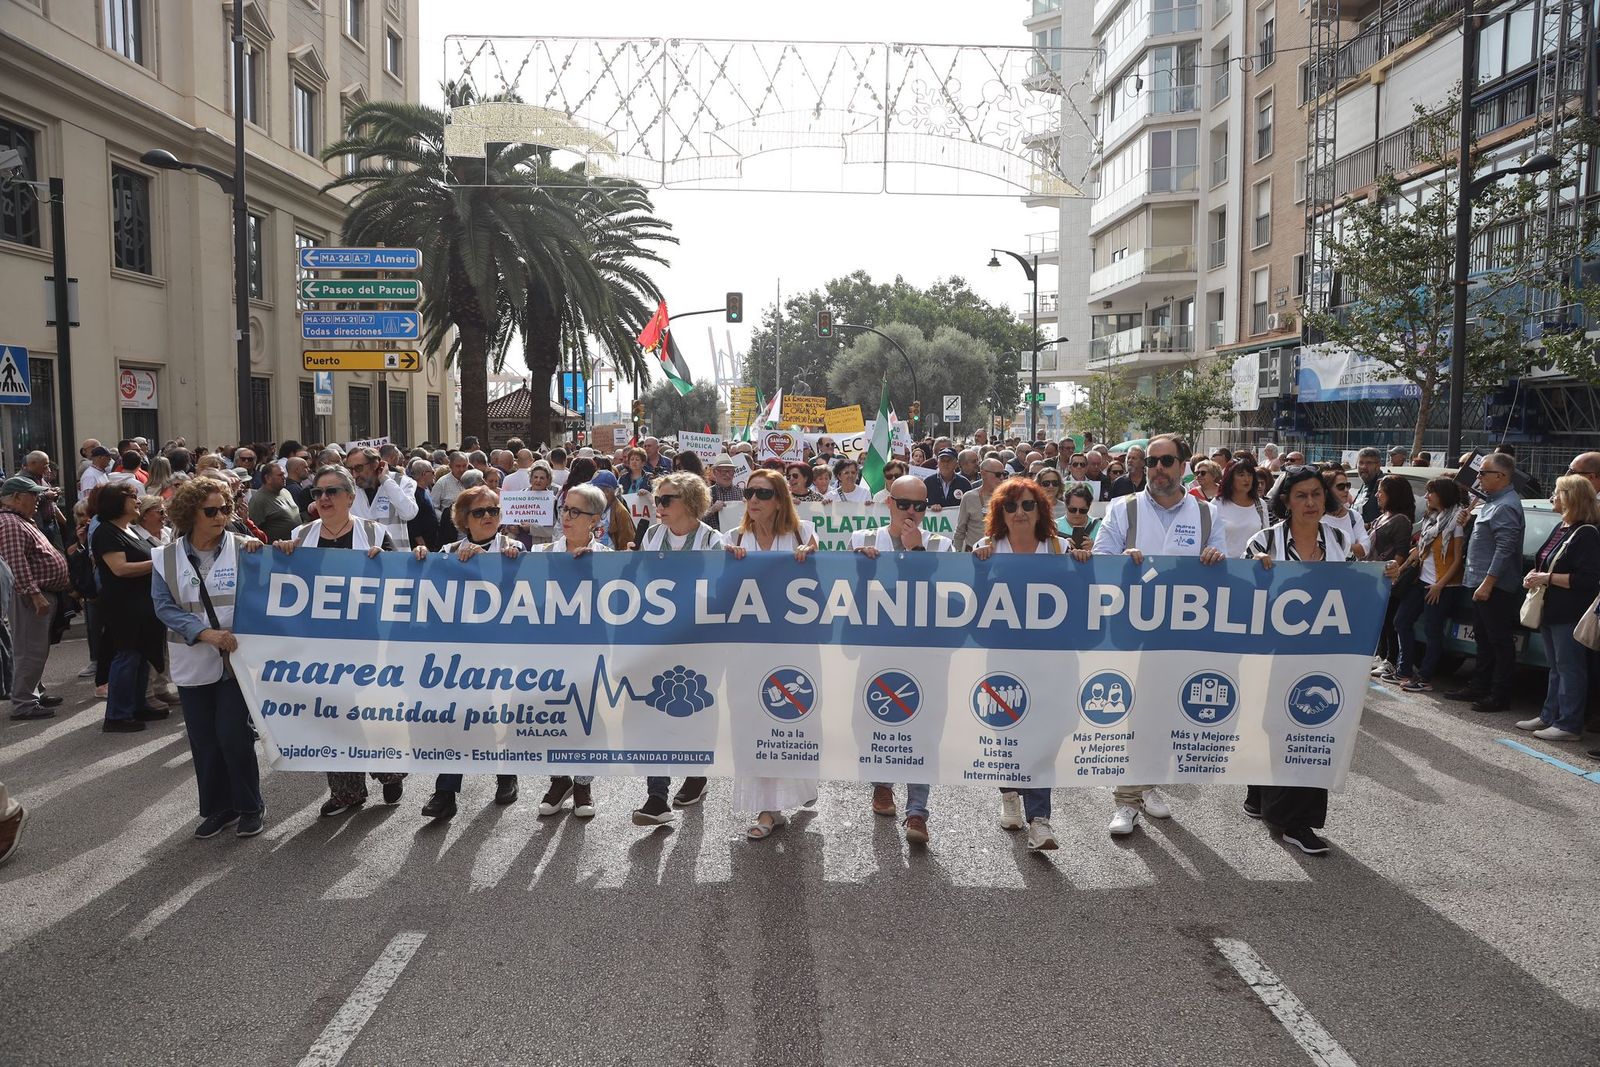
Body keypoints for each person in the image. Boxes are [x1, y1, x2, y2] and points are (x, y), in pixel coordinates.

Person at [1095, 433, 1229, 836]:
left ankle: (1148, 783)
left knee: (1166, 710)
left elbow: (1224, 569)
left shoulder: (1207, 514)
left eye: (1166, 461)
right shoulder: (1123, 508)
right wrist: (1120, 561)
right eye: (1151, 461)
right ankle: (1126, 800)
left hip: (1183, 634)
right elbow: (1099, 561)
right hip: (1132, 630)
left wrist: (1216, 559)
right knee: (1135, 711)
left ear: (1183, 466)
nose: (1157, 469)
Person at [275, 466, 406, 816]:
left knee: (369, 711)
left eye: (331, 491)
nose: (324, 498)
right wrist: (279, 554)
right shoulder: (300, 535)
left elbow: (404, 579)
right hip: (319, 643)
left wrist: (386, 563)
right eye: (318, 493)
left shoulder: (374, 532)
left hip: (367, 640)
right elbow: (284, 583)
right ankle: (347, 792)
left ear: (350, 496)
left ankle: (389, 771)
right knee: (332, 713)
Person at [1242, 465, 1353, 855]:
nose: (1311, 502)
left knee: (1311, 728)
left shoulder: (1340, 539)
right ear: (1286, 501)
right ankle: (1268, 801)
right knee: (1275, 726)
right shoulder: (1263, 541)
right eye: (1301, 495)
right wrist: (1254, 572)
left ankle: (1292, 819)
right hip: (1274, 654)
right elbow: (1241, 595)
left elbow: (1353, 590)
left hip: (1323, 653)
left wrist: (1380, 575)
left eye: (1317, 494)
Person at [151, 478, 267, 838]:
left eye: (225, 509)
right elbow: (163, 606)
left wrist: (272, 551)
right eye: (211, 511)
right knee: (204, 740)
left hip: (236, 662)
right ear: (190, 514)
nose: (221, 516)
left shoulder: (245, 548)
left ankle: (250, 806)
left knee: (233, 735)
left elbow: (273, 587)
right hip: (193, 661)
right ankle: (219, 808)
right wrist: (204, 633)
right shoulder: (165, 557)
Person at [410, 485, 522, 819]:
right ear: (464, 518)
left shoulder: (513, 548)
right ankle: (446, 792)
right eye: (480, 511)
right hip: (461, 652)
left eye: (494, 510)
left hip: (502, 648)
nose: (488, 516)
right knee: (458, 715)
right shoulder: (447, 552)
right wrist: (420, 560)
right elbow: (428, 593)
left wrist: (494, 561)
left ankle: (506, 774)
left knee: (497, 712)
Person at [851, 475, 951, 845]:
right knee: (875, 717)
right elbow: (849, 595)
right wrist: (861, 569)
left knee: (925, 725)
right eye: (904, 503)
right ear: (889, 502)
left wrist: (916, 551)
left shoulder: (940, 544)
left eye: (919, 506)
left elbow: (943, 598)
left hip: (925, 650)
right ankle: (881, 783)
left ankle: (918, 810)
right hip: (878, 646)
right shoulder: (861, 540)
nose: (911, 512)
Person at [972, 476, 1066, 851]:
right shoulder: (986, 549)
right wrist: (979, 569)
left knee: (1043, 734)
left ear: (1040, 510)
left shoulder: (1058, 548)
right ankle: (1010, 793)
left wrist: (1083, 563)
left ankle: (1039, 819)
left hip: (1049, 659)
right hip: (1002, 657)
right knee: (1006, 727)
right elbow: (972, 604)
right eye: (1011, 506)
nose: (1020, 513)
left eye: (1028, 505)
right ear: (1000, 512)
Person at [725, 469, 819, 839]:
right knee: (752, 721)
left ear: (780, 500)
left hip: (794, 645)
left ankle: (798, 786)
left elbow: (823, 582)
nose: (753, 500)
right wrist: (726, 565)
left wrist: (812, 556)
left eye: (763, 493)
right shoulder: (733, 538)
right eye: (749, 492)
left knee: (792, 719)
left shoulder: (803, 533)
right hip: (747, 646)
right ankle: (767, 808)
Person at [630, 473, 723, 826]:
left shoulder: (712, 540)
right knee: (655, 709)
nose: (660, 506)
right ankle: (657, 795)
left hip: (700, 640)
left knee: (699, 709)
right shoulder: (652, 536)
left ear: (690, 502)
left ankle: (697, 773)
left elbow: (718, 590)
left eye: (667, 500)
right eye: (658, 499)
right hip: (659, 638)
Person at [529, 482, 611, 819]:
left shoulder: (607, 558)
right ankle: (559, 779)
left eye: (576, 512)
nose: (567, 516)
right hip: (548, 649)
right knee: (552, 712)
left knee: (587, 714)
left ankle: (583, 783)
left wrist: (595, 570)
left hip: (591, 649)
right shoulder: (542, 552)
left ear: (595, 520)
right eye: (565, 509)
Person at [1514, 475, 1600, 741]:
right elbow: (1546, 563)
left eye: (1558, 491)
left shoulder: (1586, 533)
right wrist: (1534, 576)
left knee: (1570, 668)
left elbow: (1587, 579)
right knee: (1556, 667)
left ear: (1571, 498)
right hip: (1551, 609)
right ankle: (1549, 715)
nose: (1553, 495)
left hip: (1570, 612)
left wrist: (1546, 578)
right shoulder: (1562, 527)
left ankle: (1568, 724)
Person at [1445, 453, 1526, 713]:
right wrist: (1468, 522)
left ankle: (1499, 695)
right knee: (1483, 637)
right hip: (1479, 581)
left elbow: (1504, 549)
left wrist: (1489, 583)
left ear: (1500, 476)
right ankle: (1479, 686)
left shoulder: (1506, 506)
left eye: (1482, 473)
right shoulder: (1492, 502)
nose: (1478, 477)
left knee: (1499, 641)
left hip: (1494, 586)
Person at [91, 481, 166, 733]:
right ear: (116, 502)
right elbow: (120, 568)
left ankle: (137, 705)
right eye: (132, 496)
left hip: (143, 604)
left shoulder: (130, 530)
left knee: (141, 655)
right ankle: (117, 715)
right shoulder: (106, 532)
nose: (138, 500)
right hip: (123, 606)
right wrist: (160, 561)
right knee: (127, 656)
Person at [1389, 478, 1466, 692]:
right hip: (1421, 580)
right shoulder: (1431, 518)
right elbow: (1420, 550)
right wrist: (1401, 570)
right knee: (1401, 621)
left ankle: (1424, 677)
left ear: (1443, 495)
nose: (1426, 496)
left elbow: (1457, 560)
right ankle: (1404, 670)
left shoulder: (1456, 520)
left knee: (1433, 631)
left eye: (1431, 492)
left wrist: (1439, 585)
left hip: (1442, 586)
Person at [0, 478, 67, 721]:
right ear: (17, 497)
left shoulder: (19, 520)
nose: (38, 499)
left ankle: (33, 693)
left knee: (35, 649)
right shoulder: (10, 523)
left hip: (38, 593)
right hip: (30, 596)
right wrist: (34, 594)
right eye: (33, 495)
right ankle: (24, 703)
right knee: (29, 650)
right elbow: (16, 563)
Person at [1367, 475, 1416, 681]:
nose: (1377, 495)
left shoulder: (1401, 520)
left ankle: (1391, 660)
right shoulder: (1382, 517)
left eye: (1382, 491)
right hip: (1373, 575)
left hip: (1388, 578)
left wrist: (1392, 575)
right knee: (1380, 619)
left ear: (1393, 495)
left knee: (1390, 620)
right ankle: (1381, 654)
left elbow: (1401, 552)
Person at [345, 446, 417, 547]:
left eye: (358, 468)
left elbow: (409, 513)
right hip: (361, 553)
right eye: (350, 469)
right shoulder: (349, 487)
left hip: (394, 553)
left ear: (375, 464)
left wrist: (386, 481)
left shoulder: (402, 481)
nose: (354, 475)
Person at [1211, 458, 1269, 560]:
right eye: (1241, 475)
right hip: (1225, 565)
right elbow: (1209, 539)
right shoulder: (1217, 504)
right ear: (1230, 478)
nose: (1247, 479)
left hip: (1252, 565)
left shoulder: (1260, 504)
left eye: (1250, 475)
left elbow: (1266, 538)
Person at [954, 457, 1006, 550]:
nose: (1002, 478)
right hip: (973, 552)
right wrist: (956, 553)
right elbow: (960, 530)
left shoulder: (1008, 498)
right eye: (998, 474)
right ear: (983, 474)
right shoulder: (969, 497)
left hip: (1000, 552)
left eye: (1004, 474)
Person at [1319, 467, 1371, 559]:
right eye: (1341, 487)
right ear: (1327, 491)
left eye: (1348, 485)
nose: (1346, 490)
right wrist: (1351, 547)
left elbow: (1364, 548)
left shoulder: (1353, 516)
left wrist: (1337, 546)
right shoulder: (1316, 517)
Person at [247, 460, 300, 542]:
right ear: (268, 478)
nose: (284, 477)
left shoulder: (286, 492)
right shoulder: (259, 499)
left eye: (284, 474)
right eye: (280, 475)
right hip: (275, 547)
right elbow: (252, 530)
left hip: (295, 544)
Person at [1057, 484, 1100, 548]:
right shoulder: (1053, 527)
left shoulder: (1100, 527)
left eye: (1083, 510)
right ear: (1066, 505)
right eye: (1073, 509)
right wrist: (1062, 546)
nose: (1077, 514)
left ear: (1089, 507)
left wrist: (1095, 548)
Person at [1352, 447, 1385, 525]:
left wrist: (1368, 526)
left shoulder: (1384, 485)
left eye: (1369, 463)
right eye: (1361, 463)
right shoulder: (1365, 483)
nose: (1363, 467)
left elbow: (1390, 517)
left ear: (1378, 465)